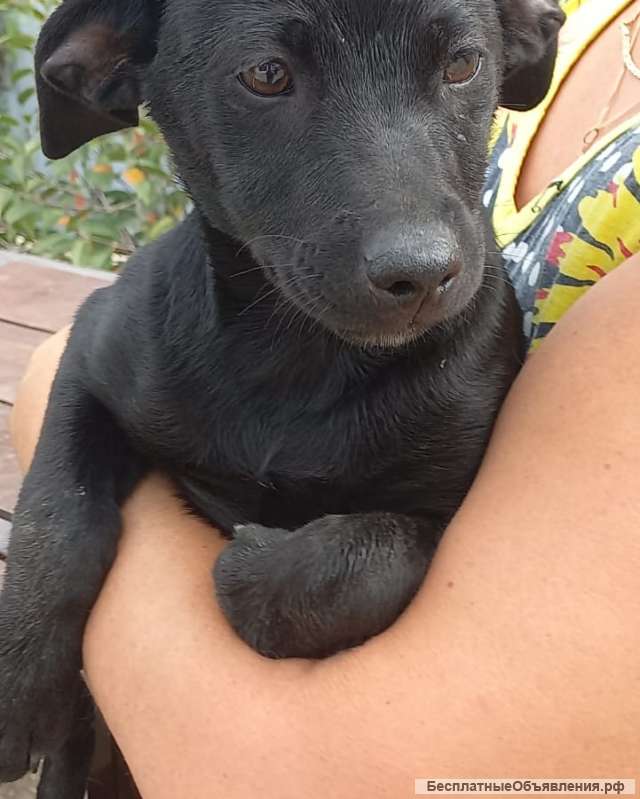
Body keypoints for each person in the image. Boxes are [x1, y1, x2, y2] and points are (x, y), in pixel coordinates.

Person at [9, 0, 640, 795]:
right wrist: (47, 567)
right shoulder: (584, 23)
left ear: (509, 49)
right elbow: (81, 375)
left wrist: (339, 575)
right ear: (114, 63)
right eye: (268, 75)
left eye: (457, 67)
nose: (418, 245)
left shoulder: (465, 377)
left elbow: (447, 531)